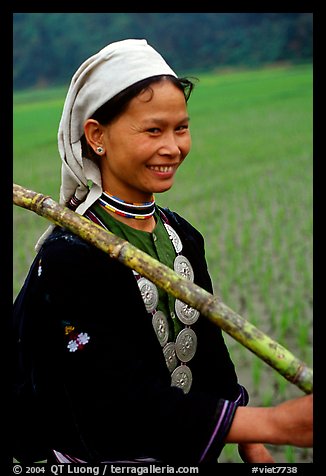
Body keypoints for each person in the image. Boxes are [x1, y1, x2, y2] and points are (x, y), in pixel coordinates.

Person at [13, 39, 313, 466]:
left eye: (181, 128)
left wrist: (253, 442)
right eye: (153, 130)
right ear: (97, 135)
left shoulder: (181, 236)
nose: (173, 147)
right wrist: (274, 423)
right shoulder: (70, 257)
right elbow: (114, 399)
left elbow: (209, 350)